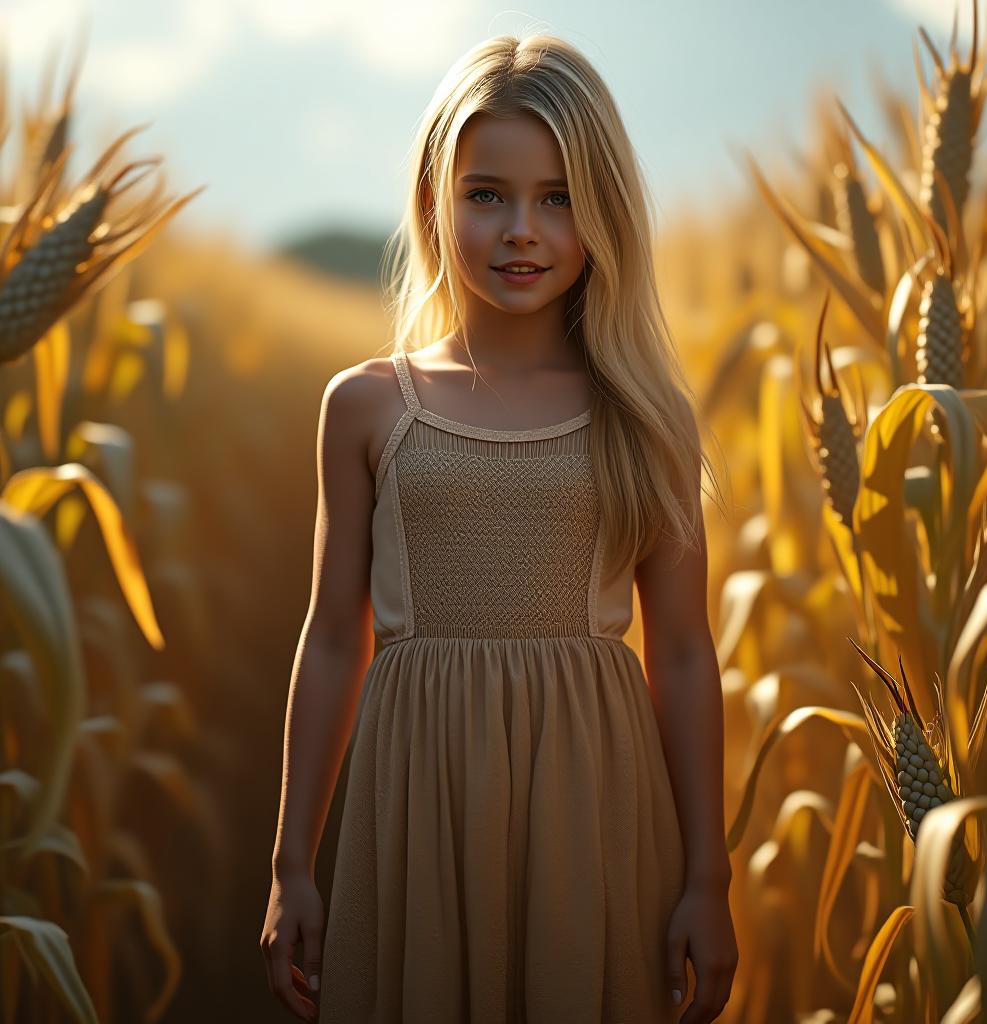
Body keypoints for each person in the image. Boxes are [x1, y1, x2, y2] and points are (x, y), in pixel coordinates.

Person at [260, 31, 737, 1024]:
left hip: (593, 802)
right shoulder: (365, 405)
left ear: (602, 207)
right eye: (486, 194)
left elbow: (685, 654)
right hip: (416, 796)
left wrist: (707, 877)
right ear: (436, 200)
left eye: (557, 196)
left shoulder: (642, 413)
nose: (522, 228)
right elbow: (330, 637)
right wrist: (290, 864)